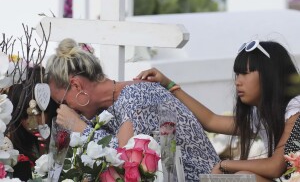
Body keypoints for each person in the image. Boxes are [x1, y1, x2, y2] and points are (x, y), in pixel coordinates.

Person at [45, 38, 220, 181]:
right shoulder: (110, 107)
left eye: (63, 102)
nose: (64, 110)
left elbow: (123, 159)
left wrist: (79, 127)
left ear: (76, 85)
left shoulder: (136, 98)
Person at [135, 40, 300, 182]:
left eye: (245, 73)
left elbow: (276, 166)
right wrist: (169, 85)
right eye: (237, 74)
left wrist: (224, 164)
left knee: (241, 177)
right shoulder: (263, 116)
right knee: (240, 177)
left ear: (269, 75)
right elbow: (211, 121)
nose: (238, 82)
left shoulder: (296, 110)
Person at [7, 66, 57, 180]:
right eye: (25, 116)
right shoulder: (11, 150)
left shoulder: (64, 139)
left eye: (39, 113)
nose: (32, 123)